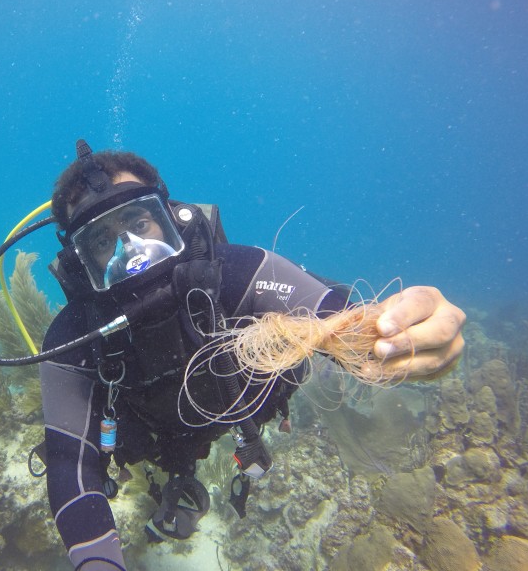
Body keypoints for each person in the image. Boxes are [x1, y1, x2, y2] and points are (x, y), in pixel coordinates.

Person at [38, 140, 465, 571]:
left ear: (170, 217)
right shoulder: (73, 338)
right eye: (101, 240)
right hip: (157, 440)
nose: (131, 254)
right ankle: (176, 482)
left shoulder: (239, 271)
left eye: (139, 223)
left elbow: (345, 321)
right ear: (81, 262)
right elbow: (68, 466)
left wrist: (403, 333)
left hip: (242, 410)